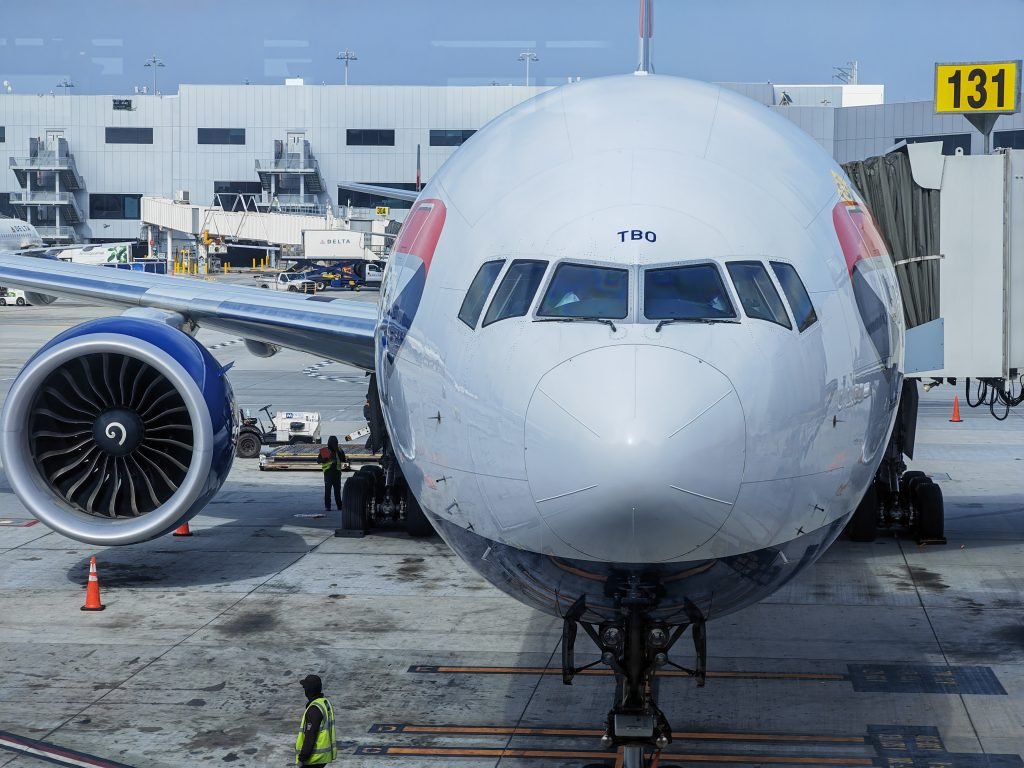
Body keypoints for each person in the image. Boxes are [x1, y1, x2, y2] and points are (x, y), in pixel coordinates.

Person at [295, 674, 337, 766]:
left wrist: (302, 758)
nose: (304, 690)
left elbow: (310, 735)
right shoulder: (324, 703)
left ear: (309, 690)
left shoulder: (314, 709)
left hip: (314, 759)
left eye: (305, 687)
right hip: (323, 757)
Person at [321, 436, 346, 511]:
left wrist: (339, 453)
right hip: (328, 473)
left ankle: (339, 506)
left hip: (337, 473)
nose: (335, 445)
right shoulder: (325, 450)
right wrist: (326, 458)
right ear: (330, 444)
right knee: (328, 491)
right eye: (334, 443)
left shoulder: (339, 450)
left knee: (337, 491)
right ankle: (328, 506)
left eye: (336, 443)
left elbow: (343, 459)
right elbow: (318, 460)